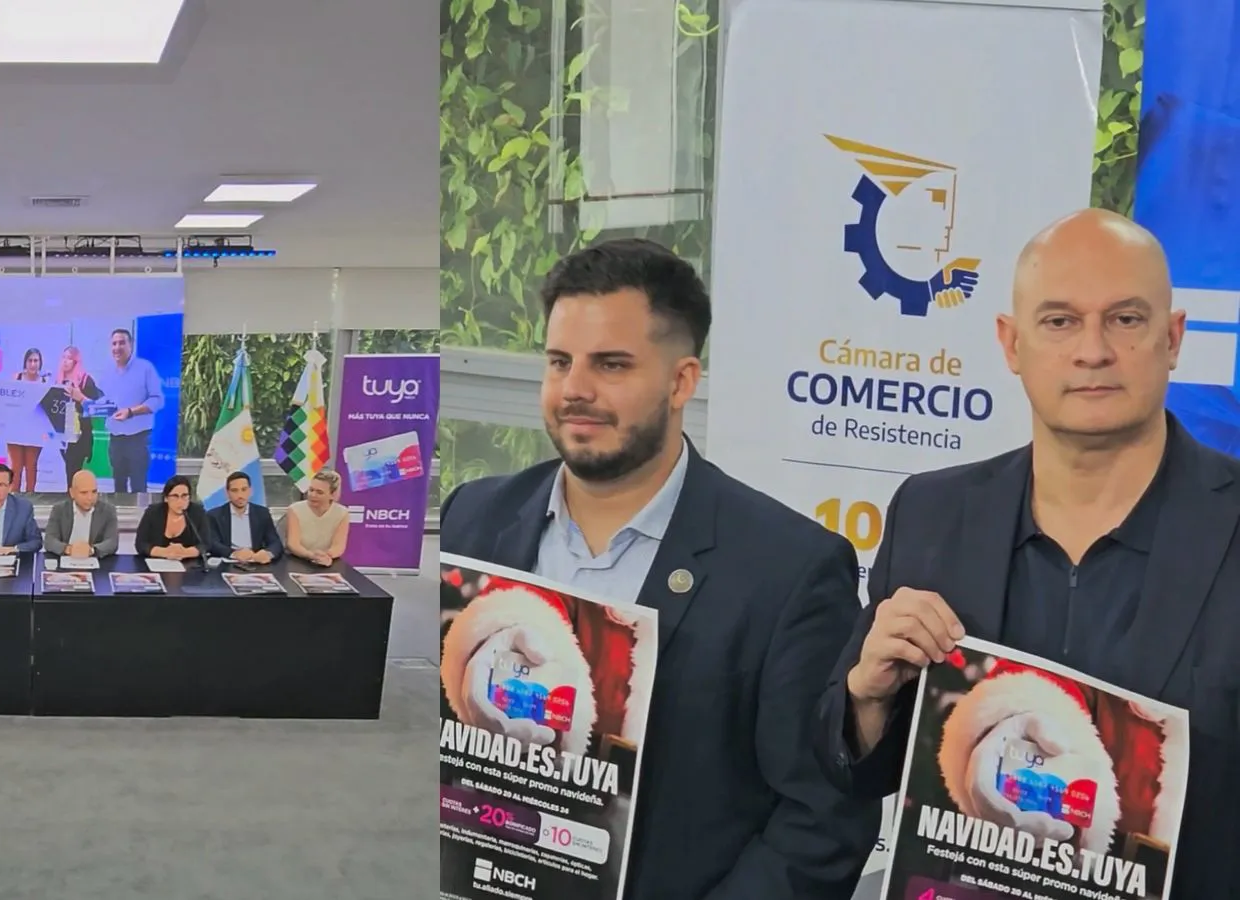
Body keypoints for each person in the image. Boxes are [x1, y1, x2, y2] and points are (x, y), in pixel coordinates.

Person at [816, 209, 1240, 899]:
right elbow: (860, 770)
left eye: (1125, 319)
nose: (1093, 351)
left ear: (1173, 338)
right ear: (1011, 344)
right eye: (1060, 321)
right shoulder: (931, 514)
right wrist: (867, 696)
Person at [440, 238, 878, 899]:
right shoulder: (473, 517)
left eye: (611, 364)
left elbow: (822, 821)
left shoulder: (790, 569)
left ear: (681, 382)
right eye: (559, 362)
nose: (575, 389)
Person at [96, 327, 164, 494]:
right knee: (118, 487)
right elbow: (102, 400)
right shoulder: (107, 372)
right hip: (115, 439)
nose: (117, 347)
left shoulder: (145, 368)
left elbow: (157, 400)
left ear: (131, 345)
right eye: (114, 344)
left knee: (138, 487)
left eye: (122, 343)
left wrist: (131, 411)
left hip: (138, 439)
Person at [52, 346, 103, 486]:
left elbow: (95, 408)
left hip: (80, 433)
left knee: (74, 471)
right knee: (68, 470)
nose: (65, 361)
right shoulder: (57, 380)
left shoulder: (86, 380)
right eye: (63, 357)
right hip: (62, 433)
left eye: (69, 358)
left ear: (76, 361)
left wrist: (80, 397)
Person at [207, 471, 282, 563]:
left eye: (244, 489)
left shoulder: (262, 513)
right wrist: (234, 553)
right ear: (227, 493)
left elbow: (275, 542)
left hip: (256, 562)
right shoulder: (214, 515)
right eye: (234, 490)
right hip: (229, 562)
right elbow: (212, 543)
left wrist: (268, 553)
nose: (240, 495)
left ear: (250, 491)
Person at [43, 470, 119, 559]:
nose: (90, 497)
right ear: (72, 493)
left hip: (95, 561)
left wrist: (91, 550)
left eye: (94, 492)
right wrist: (69, 549)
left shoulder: (108, 511)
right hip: (66, 560)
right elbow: (49, 540)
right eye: (84, 493)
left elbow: (112, 542)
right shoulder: (59, 510)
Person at [135, 474, 211, 561]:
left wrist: (185, 552)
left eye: (184, 496)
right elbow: (140, 544)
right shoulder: (153, 512)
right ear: (166, 498)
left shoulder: (198, 512)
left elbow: (206, 544)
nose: (180, 501)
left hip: (189, 565)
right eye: (175, 496)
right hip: (156, 564)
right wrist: (166, 552)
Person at [283, 470, 350, 566]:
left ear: (332, 495)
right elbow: (293, 544)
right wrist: (311, 556)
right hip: (298, 560)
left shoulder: (342, 513)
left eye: (319, 492)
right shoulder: (294, 509)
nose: (312, 495)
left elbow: (338, 546)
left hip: (327, 561)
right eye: (311, 490)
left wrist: (327, 556)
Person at [5, 347, 49, 492]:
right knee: (16, 467)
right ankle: (14, 496)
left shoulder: (45, 382)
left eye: (36, 360)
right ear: (25, 362)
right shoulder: (16, 378)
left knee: (31, 466)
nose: (33, 364)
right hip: (15, 431)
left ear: (40, 363)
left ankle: (30, 497)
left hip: (34, 432)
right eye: (30, 360)